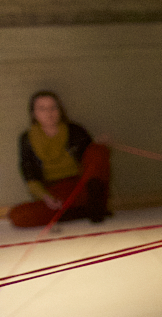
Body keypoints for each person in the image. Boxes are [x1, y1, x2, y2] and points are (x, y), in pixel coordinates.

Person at [8, 91, 110, 228]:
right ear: (34, 113)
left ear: (60, 110)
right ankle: (76, 212)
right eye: (42, 109)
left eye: (53, 107)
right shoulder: (27, 139)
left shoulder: (75, 131)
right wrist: (46, 197)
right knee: (17, 216)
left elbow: (93, 164)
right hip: (54, 192)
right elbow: (29, 173)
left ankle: (91, 207)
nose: (49, 113)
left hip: (81, 187)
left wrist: (98, 146)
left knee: (98, 150)